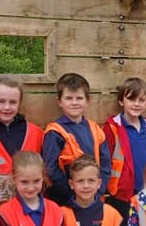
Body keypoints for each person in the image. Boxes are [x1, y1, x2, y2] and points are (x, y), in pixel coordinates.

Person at [42, 72, 111, 206]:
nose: (74, 103)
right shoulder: (55, 132)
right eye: (68, 98)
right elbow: (51, 169)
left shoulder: (96, 129)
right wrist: (72, 194)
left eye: (79, 98)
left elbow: (105, 164)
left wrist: (98, 191)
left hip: (93, 198)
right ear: (59, 101)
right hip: (65, 200)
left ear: (88, 100)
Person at [0, 77, 44, 193]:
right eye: (1, 101)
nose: (7, 107)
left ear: (19, 102)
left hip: (30, 202)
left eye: (13, 102)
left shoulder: (36, 133)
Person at [103, 77, 146, 219]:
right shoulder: (112, 127)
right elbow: (105, 159)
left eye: (141, 100)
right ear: (121, 101)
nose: (136, 104)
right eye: (131, 99)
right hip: (121, 191)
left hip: (145, 189)